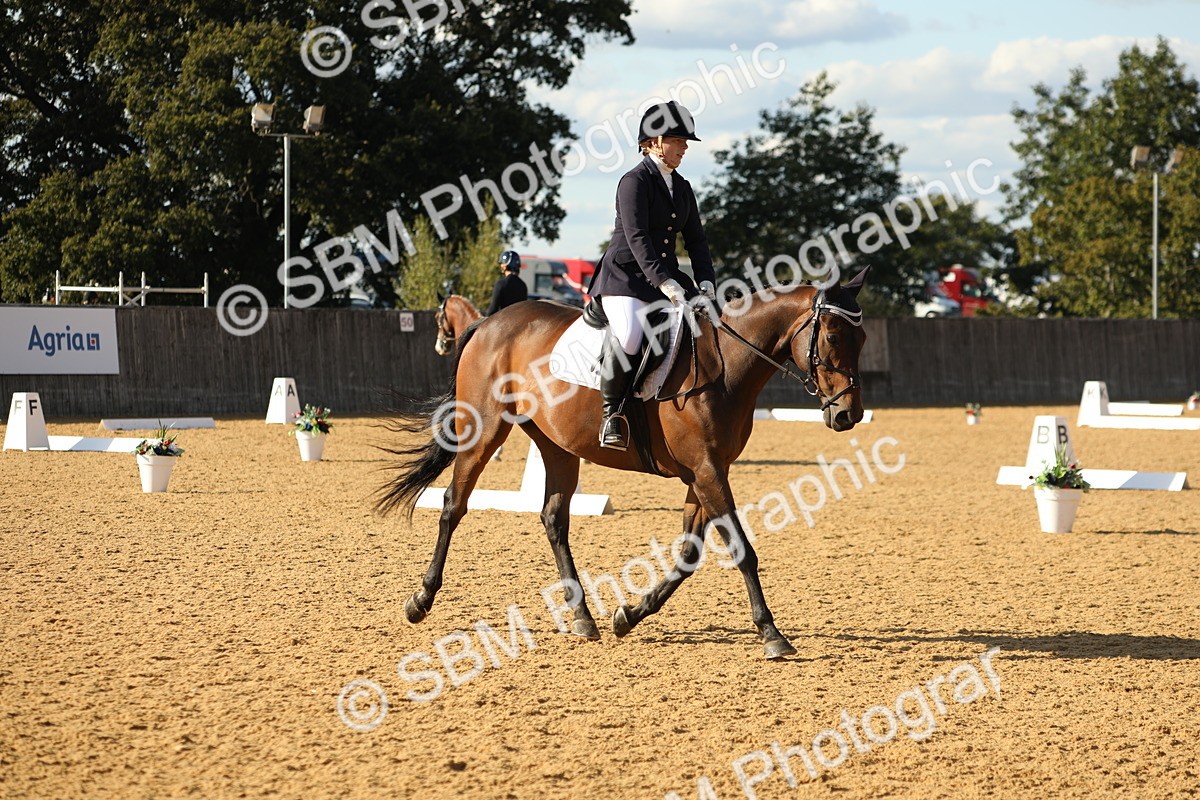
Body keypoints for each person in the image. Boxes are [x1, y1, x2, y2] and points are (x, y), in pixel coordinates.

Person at [588, 101, 717, 450]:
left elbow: (696, 240)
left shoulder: (682, 186)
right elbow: (638, 238)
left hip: (665, 278)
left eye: (685, 141)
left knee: (703, 327)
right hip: (625, 278)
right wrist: (665, 282)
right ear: (656, 141)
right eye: (679, 140)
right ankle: (611, 415)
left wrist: (706, 281)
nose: (685, 147)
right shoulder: (634, 182)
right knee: (630, 334)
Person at [487, 250, 528, 315]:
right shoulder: (523, 285)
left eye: (501, 264)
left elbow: (493, 308)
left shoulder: (501, 284)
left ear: (505, 266)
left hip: (503, 321)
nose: (501, 266)